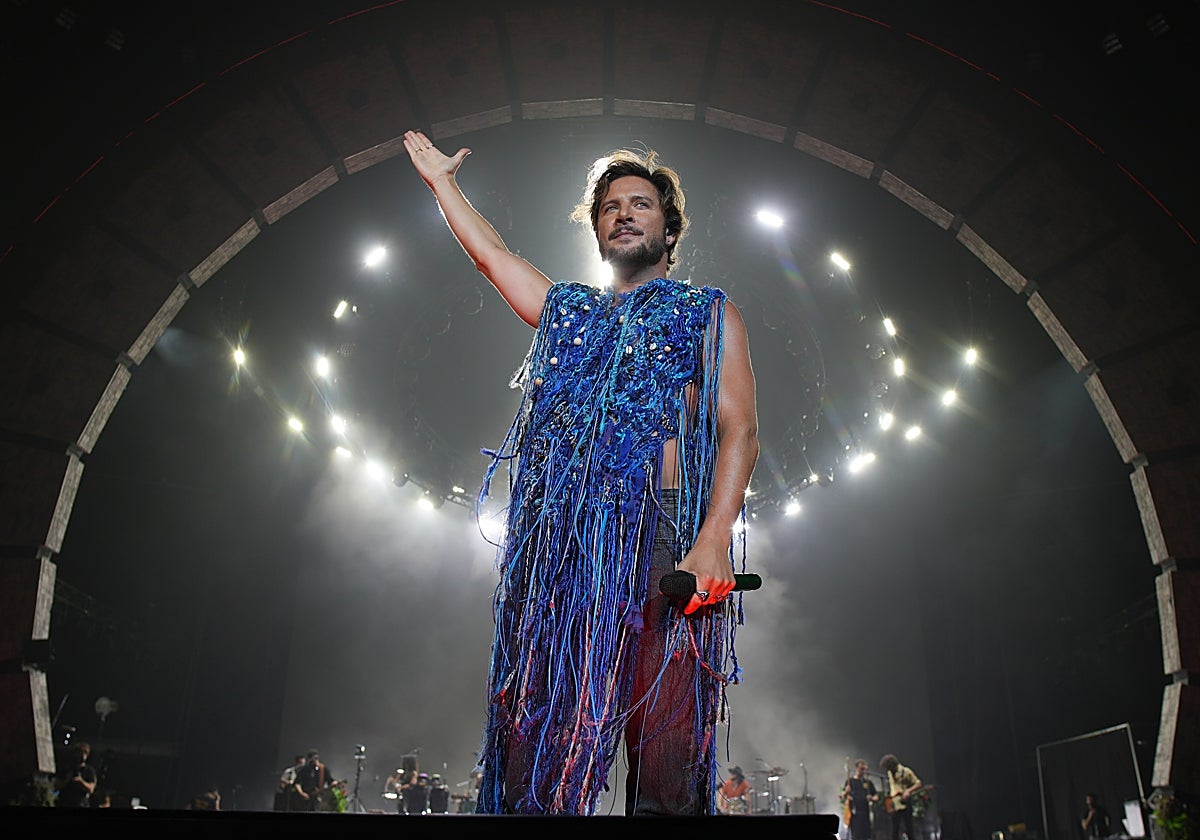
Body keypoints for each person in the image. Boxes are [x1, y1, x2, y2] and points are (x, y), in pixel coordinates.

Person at [403, 130, 759, 817]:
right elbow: (492, 257)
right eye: (611, 207)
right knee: (542, 742)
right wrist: (443, 185)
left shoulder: (707, 312)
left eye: (641, 203)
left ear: (668, 225)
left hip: (664, 538)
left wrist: (713, 538)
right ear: (597, 228)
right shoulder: (568, 311)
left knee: (665, 749)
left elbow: (738, 429)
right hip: (563, 544)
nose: (625, 213)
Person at [881, 754, 926, 840]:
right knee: (895, 828)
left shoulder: (906, 771)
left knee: (909, 827)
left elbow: (918, 783)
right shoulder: (889, 772)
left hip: (904, 801)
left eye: (889, 768)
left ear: (893, 766)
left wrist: (908, 791)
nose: (888, 770)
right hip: (894, 802)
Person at [841, 758, 880, 840]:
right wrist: (846, 792)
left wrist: (872, 798)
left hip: (865, 812)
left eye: (864, 769)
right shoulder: (850, 781)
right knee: (856, 836)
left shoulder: (868, 783)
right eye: (861, 769)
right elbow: (842, 796)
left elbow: (876, 797)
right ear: (856, 768)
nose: (863, 771)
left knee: (866, 836)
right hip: (855, 813)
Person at [55, 741, 98, 808]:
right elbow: (55, 786)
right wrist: (66, 780)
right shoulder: (67, 769)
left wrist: (81, 781)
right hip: (65, 802)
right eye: (79, 753)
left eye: (84, 753)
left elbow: (91, 789)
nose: (81, 756)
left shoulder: (89, 771)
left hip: (81, 803)